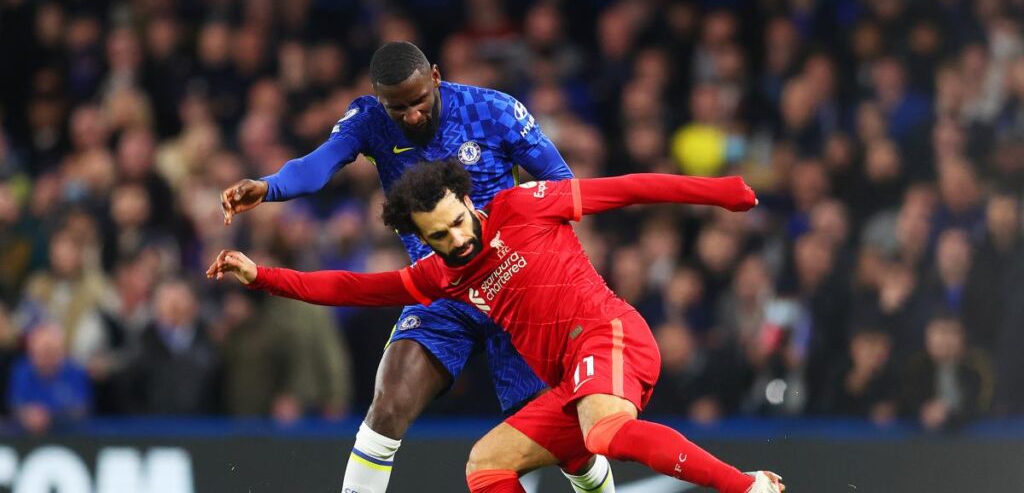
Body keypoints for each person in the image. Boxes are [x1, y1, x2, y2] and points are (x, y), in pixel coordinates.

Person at [208, 160, 784, 493]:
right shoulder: (438, 276)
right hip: (571, 383)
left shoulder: (524, 204)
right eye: (439, 235)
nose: (456, 239)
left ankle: (748, 486)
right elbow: (349, 288)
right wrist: (261, 276)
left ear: (468, 200)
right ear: (422, 238)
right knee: (486, 465)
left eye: (458, 222)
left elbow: (630, 188)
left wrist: (721, 194)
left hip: (609, 336)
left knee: (603, 435)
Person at [218, 41, 613, 493]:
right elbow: (316, 166)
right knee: (386, 407)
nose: (410, 116)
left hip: (516, 290)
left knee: (569, 445)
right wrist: (268, 188)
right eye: (397, 107)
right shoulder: (368, 120)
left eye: (419, 101)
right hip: (441, 291)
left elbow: (562, 185)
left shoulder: (494, 111)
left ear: (437, 77)